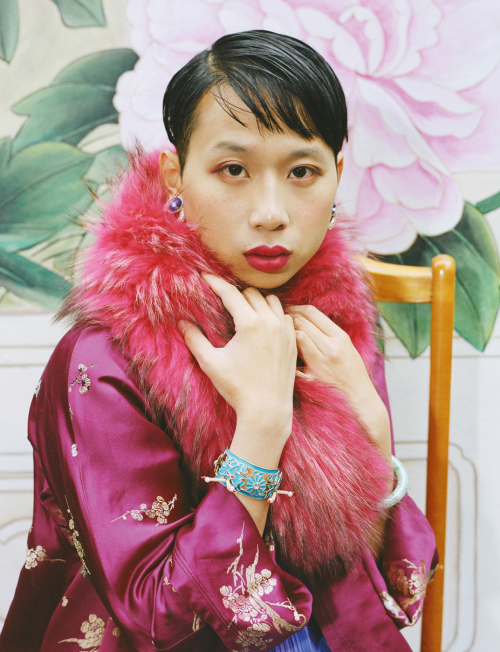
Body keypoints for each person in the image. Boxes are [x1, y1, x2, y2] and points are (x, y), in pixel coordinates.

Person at [1, 30, 437, 652]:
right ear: (176, 175)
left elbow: (385, 587)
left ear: (336, 177)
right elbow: (157, 615)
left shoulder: (331, 324)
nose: (270, 212)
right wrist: (260, 427)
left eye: (303, 172)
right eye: (233, 170)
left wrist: (372, 428)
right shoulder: (107, 356)